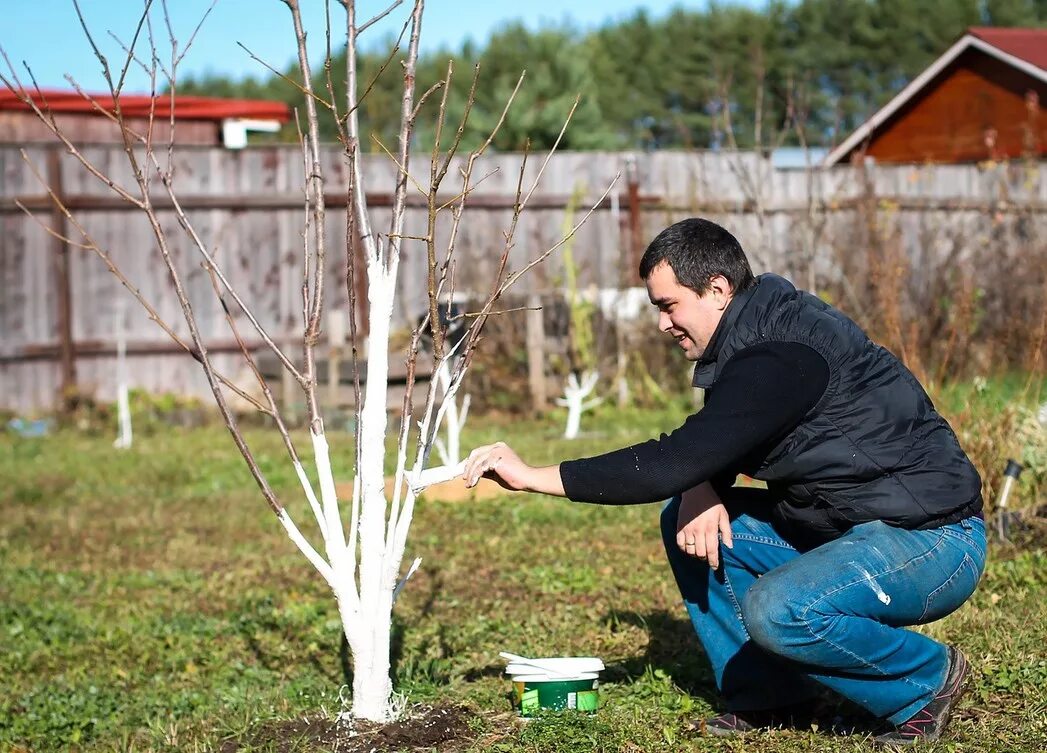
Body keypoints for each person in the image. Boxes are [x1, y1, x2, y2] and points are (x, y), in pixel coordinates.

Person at [462, 218, 986, 745]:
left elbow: (674, 459)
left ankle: (926, 679)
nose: (664, 324)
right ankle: (771, 697)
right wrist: (699, 487)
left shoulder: (781, 353)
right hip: (847, 528)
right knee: (687, 520)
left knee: (781, 610)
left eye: (669, 306)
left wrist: (533, 477)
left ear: (717, 289)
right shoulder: (750, 334)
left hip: (931, 542)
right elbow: (713, 443)